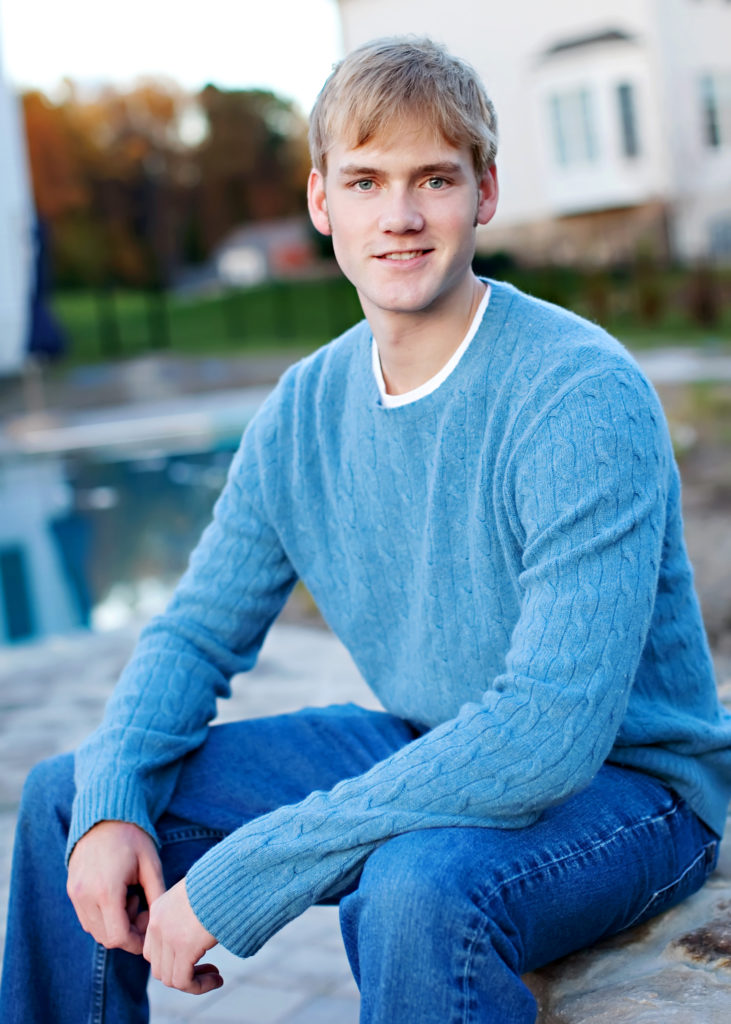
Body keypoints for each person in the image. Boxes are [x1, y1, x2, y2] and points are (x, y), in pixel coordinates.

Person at [3, 36, 731, 1024]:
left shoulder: (577, 392)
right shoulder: (302, 412)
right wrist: (116, 786)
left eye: (433, 177)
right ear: (320, 203)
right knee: (71, 798)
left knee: (417, 886)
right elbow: (195, 632)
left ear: (483, 193)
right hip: (428, 738)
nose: (397, 216)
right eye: (366, 180)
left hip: (629, 787)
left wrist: (251, 869)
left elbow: (550, 733)